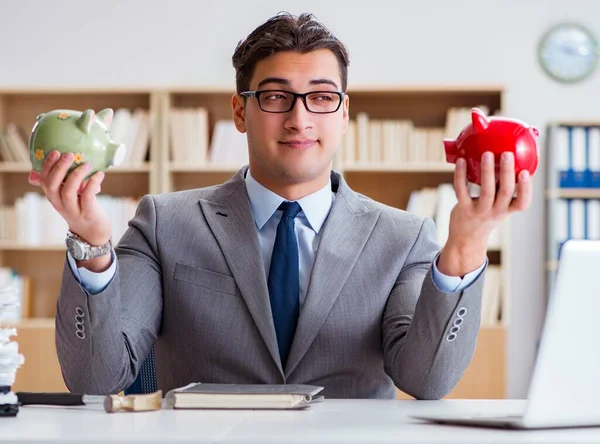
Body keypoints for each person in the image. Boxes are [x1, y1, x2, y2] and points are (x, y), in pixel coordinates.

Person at [29, 12, 531, 400]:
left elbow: (428, 380)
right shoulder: (165, 222)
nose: (299, 119)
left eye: (320, 98)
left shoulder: (402, 237)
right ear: (240, 111)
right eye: (275, 97)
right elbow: (95, 379)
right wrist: (91, 241)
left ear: (344, 112)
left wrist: (466, 244)